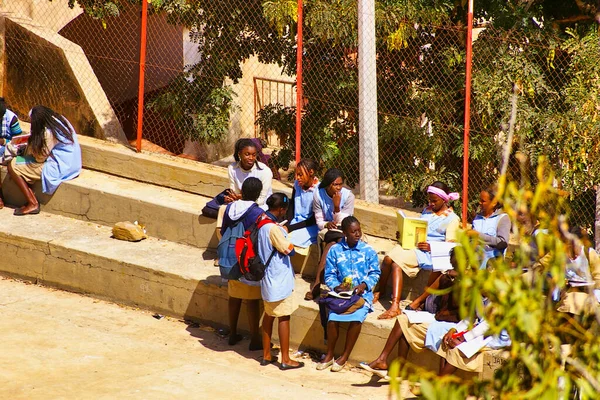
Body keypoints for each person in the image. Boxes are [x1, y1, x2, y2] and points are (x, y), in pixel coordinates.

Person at [360, 249, 460, 378]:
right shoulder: (446, 276)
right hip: (438, 316)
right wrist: (416, 304)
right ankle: (384, 360)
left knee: (408, 328)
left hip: (452, 322)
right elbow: (429, 291)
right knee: (404, 319)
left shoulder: (468, 282)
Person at [406, 185, 510, 310]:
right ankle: (424, 301)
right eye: (480, 200)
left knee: (451, 272)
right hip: (472, 258)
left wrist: (479, 236)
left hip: (489, 263)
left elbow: (503, 242)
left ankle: (420, 302)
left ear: (494, 203)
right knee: (444, 267)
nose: (480, 203)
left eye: (483, 201)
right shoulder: (478, 217)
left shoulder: (503, 219)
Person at [375, 181, 460, 319]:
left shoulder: (452, 219)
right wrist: (404, 233)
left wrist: (431, 247)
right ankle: (387, 297)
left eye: (435, 201)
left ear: (444, 200)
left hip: (432, 254)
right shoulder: (427, 211)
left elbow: (450, 246)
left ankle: (397, 304)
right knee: (390, 259)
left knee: (396, 262)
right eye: (430, 200)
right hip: (417, 248)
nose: (431, 203)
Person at [316, 216, 380, 372]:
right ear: (345, 233)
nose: (357, 234)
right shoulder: (335, 250)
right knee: (332, 319)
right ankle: (330, 354)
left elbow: (376, 273)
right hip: (341, 295)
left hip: (361, 295)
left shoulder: (368, 250)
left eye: (359, 230)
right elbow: (329, 275)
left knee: (356, 319)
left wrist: (364, 285)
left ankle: (344, 356)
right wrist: (336, 286)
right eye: (353, 232)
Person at [7, 106, 81, 215]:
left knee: (13, 165)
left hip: (60, 167)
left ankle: (33, 203)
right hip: (73, 164)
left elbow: (39, 158)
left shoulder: (48, 133)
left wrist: (31, 149)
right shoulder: (60, 119)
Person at [258, 193, 304, 370]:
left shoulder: (261, 222)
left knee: (269, 316)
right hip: (279, 281)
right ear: (281, 210)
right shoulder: (274, 229)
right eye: (285, 210)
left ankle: (266, 354)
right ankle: (285, 359)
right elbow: (289, 251)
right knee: (284, 317)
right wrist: (286, 235)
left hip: (268, 280)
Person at [219, 177, 265, 350]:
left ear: (242, 191)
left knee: (234, 296)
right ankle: (254, 339)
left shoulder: (230, 208)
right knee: (252, 300)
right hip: (246, 260)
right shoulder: (256, 212)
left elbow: (223, 230)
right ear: (258, 194)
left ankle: (232, 333)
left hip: (230, 259)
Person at [305, 168, 355, 300]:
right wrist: (327, 224)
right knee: (334, 240)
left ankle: (317, 284)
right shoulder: (318, 194)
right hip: (327, 229)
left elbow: (344, 222)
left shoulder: (348, 196)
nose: (338, 188)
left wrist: (337, 207)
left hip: (343, 229)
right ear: (328, 184)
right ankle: (331, 284)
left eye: (340, 184)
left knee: (334, 243)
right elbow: (319, 221)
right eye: (335, 184)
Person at [226, 138, 273, 206]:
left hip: (260, 206)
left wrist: (243, 198)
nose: (251, 158)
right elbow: (234, 193)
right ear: (239, 154)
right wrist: (233, 199)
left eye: (254, 155)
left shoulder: (264, 171)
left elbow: (262, 199)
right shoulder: (232, 168)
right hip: (240, 203)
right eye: (247, 154)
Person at [286, 159, 320, 248]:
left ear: (311, 172)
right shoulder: (297, 185)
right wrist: (287, 224)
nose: (297, 178)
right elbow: (292, 207)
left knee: (288, 241)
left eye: (300, 175)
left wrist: (290, 228)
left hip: (310, 225)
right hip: (295, 222)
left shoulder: (318, 191)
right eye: (296, 175)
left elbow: (313, 219)